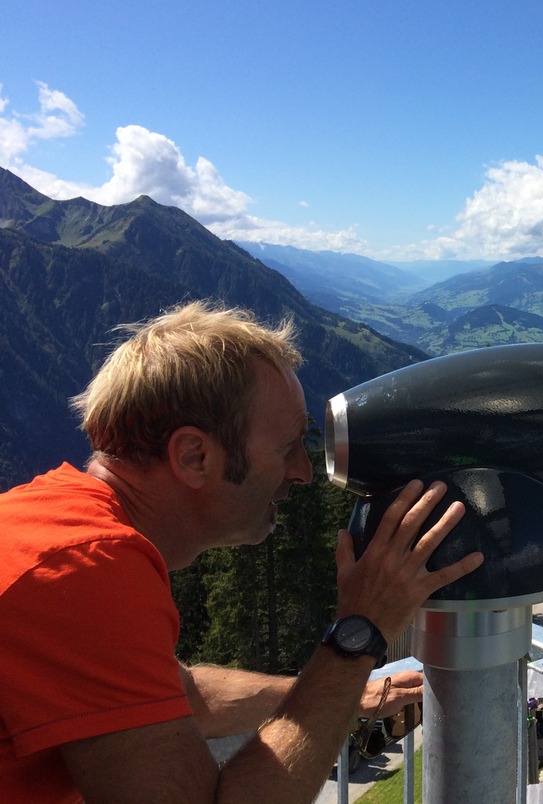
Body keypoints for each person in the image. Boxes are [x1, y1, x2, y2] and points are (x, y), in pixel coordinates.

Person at [0, 302, 484, 803]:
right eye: (288, 447)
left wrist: (351, 695)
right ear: (195, 456)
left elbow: (186, 698)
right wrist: (360, 630)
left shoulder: (49, 520)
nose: (302, 471)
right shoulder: (82, 567)